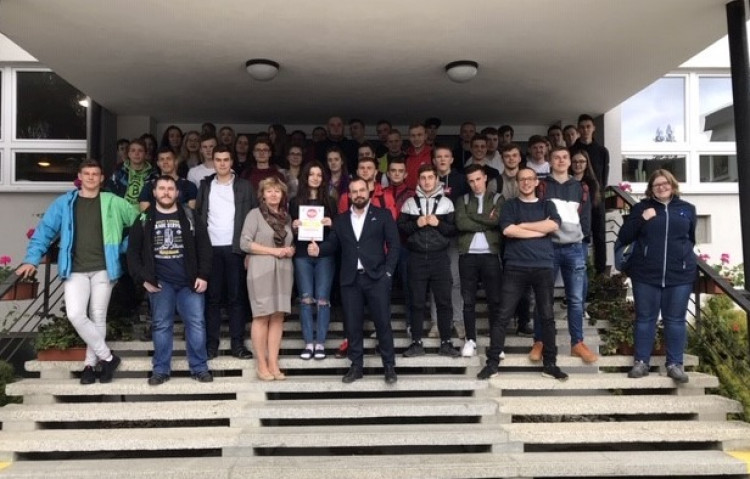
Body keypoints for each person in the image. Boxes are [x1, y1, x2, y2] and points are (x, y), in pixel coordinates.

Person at [17, 159, 139, 384]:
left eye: (95, 174)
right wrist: (31, 259)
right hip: (75, 269)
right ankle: (108, 358)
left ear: (102, 179)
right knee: (75, 314)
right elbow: (45, 231)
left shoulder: (113, 202)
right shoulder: (65, 203)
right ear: (80, 177)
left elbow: (140, 222)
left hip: (105, 268)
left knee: (98, 316)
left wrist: (123, 247)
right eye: (87, 173)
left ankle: (90, 366)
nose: (91, 177)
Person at [477, 168, 567, 381]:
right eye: (522, 179)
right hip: (515, 266)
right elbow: (508, 230)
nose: (526, 182)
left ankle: (550, 364)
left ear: (536, 182)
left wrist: (524, 226)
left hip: (543, 266)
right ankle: (492, 364)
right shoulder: (510, 205)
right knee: (502, 315)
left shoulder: (547, 205)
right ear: (517, 183)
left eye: (530, 179)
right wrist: (540, 230)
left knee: (547, 316)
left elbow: (554, 225)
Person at [309, 177, 400, 384]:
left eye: (362, 190)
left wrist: (388, 273)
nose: (358, 194)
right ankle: (356, 366)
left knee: (383, 323)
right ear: (349, 195)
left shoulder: (383, 215)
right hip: (350, 280)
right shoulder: (341, 220)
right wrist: (318, 250)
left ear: (368, 192)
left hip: (377, 278)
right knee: (352, 324)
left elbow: (394, 245)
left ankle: (389, 366)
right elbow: (333, 244)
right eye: (354, 191)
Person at [126, 175, 213, 385]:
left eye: (170, 189)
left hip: (189, 283)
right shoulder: (144, 218)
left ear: (177, 193)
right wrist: (143, 279)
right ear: (154, 192)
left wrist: (203, 275)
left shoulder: (190, 216)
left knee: (196, 324)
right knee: (161, 325)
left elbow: (205, 247)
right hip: (160, 283)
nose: (166, 192)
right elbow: (132, 253)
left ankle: (199, 368)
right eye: (162, 188)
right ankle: (161, 370)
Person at [617, 170, 695, 383]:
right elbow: (625, 236)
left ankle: (675, 364)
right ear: (651, 189)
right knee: (645, 319)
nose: (661, 187)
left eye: (665, 183)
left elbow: (690, 239)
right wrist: (642, 219)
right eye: (656, 185)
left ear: (672, 184)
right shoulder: (641, 208)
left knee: (676, 320)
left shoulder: (687, 209)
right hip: (646, 273)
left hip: (679, 274)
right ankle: (641, 362)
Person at [536, 147, 597, 364]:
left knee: (576, 299)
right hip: (548, 247)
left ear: (570, 161)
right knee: (543, 297)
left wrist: (582, 242)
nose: (561, 161)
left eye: (564, 157)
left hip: (574, 248)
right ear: (549, 161)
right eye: (556, 157)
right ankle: (540, 341)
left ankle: (577, 343)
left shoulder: (581, 187)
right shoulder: (542, 186)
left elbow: (586, 218)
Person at [195, 146, 257, 360]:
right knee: (212, 298)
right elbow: (199, 215)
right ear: (213, 161)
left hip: (236, 248)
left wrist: (250, 250)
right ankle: (211, 345)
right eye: (218, 159)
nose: (222, 163)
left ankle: (237, 345)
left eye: (226, 159)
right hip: (210, 248)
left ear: (232, 162)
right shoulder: (205, 185)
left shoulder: (244, 186)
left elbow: (253, 216)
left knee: (236, 298)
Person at [398, 164, 460, 358]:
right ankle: (416, 343)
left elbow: (453, 230)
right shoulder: (409, 203)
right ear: (418, 180)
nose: (426, 181)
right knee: (416, 302)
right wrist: (416, 224)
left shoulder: (447, 203)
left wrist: (438, 223)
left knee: (444, 301)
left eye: (430, 177)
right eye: (423, 178)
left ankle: (446, 342)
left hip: (439, 257)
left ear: (436, 180)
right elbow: (401, 228)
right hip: (416, 257)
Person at [241, 176, 295, 380]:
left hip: (283, 269)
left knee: (278, 316)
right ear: (262, 194)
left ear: (282, 195)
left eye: (277, 191)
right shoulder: (254, 215)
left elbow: (290, 242)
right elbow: (245, 243)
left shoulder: (286, 218)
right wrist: (274, 251)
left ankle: (273, 362)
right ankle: (261, 364)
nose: (273, 194)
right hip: (261, 269)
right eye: (269, 191)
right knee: (262, 316)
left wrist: (290, 250)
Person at [455, 164, 504, 357]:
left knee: (495, 300)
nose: (475, 184)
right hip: (467, 255)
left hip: (490, 254)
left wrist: (473, 217)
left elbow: (497, 221)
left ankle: (496, 343)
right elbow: (461, 223)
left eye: (478, 179)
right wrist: (486, 219)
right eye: (471, 181)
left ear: (485, 178)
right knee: (468, 301)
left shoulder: (498, 198)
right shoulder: (463, 199)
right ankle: (470, 340)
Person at [290, 161, 337, 360]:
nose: (315, 178)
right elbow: (289, 233)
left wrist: (332, 223)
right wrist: (293, 226)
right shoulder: (295, 202)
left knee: (323, 300)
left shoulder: (330, 202)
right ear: (305, 177)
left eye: (319, 175)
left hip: (324, 255)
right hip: (302, 255)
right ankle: (309, 343)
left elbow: (338, 235)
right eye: (312, 174)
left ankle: (321, 344)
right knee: (306, 299)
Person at [571, 114, 610, 276]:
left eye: (588, 126)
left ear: (593, 128)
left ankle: (600, 275)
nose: (585, 130)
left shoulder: (602, 151)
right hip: (575, 198)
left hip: (596, 198)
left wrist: (598, 195)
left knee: (599, 235)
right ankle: (579, 272)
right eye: (582, 127)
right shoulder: (571, 150)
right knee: (578, 236)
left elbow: (604, 177)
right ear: (578, 129)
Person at [139, 147, 197, 211]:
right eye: (162, 159)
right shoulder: (149, 186)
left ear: (176, 161)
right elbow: (145, 214)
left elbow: (191, 214)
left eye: (169, 159)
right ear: (158, 163)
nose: (165, 162)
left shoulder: (189, 186)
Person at [107, 138, 154, 210]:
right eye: (133, 150)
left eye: (140, 151)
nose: (136, 154)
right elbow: (109, 193)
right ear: (128, 154)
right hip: (121, 211)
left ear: (145, 154)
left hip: (145, 213)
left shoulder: (152, 174)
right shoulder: (119, 173)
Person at [404, 123, 433, 191]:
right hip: (408, 195)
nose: (416, 138)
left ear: (425, 136)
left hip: (428, 194)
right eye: (413, 135)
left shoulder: (433, 154)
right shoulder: (405, 156)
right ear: (409, 138)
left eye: (419, 135)